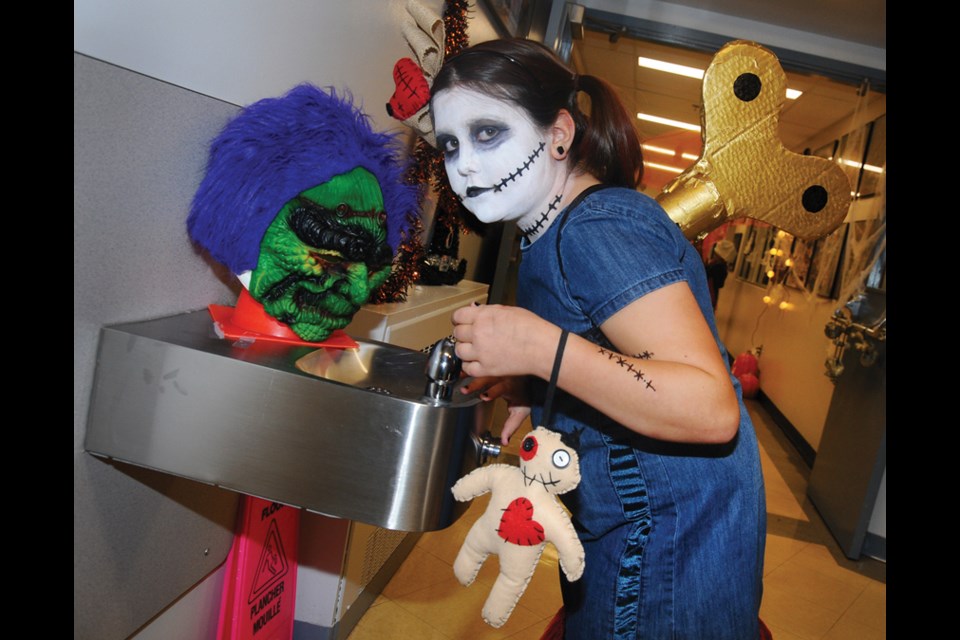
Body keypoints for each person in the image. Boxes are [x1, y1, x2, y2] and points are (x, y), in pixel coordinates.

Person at [431, 38, 766, 639]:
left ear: (559, 134)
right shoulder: (551, 228)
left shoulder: (596, 226)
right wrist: (536, 381)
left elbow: (711, 407)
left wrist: (542, 349)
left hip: (666, 547)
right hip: (638, 533)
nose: (464, 167)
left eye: (487, 134)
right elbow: (618, 350)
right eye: (449, 145)